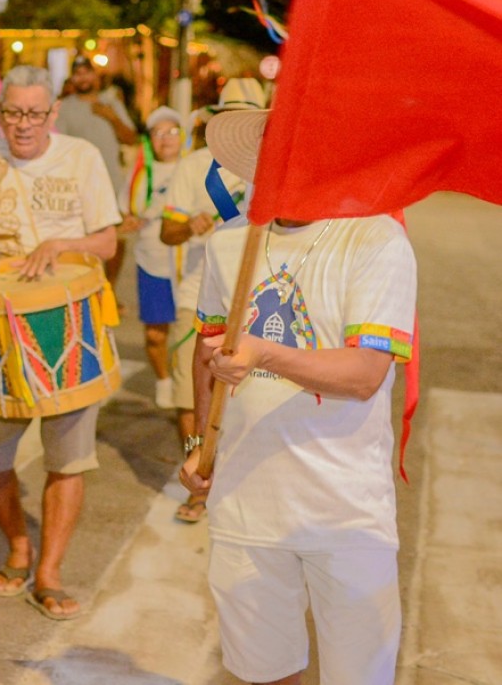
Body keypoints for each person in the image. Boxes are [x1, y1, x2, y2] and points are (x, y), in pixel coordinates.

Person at [180, 109, 416, 685]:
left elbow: (364, 375)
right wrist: (197, 442)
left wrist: (266, 354)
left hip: (344, 514)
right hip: (243, 505)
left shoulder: (376, 238)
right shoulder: (230, 241)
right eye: (276, 150)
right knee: (262, 673)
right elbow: (207, 351)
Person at [0, 65, 121, 620]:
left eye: (35, 113)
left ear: (53, 114)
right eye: (13, 112)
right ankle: (19, 545)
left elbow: (110, 242)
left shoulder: (81, 157)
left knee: (68, 459)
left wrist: (62, 243)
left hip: (65, 320)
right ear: (0, 114)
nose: (23, 124)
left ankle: (49, 571)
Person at [159, 78, 266, 523]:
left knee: (252, 395)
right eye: (229, 116)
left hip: (259, 299)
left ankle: (243, 482)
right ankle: (199, 475)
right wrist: (192, 226)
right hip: (196, 295)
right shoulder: (194, 167)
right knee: (190, 397)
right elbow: (168, 231)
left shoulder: (273, 167)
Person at [118, 107, 184, 425]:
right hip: (152, 262)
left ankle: (188, 383)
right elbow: (122, 214)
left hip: (190, 264)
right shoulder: (139, 175)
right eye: (159, 133)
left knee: (194, 332)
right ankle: (164, 380)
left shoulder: (195, 169)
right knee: (157, 335)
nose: (166, 139)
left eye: (172, 131)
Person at [54, 55, 136, 287]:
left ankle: (110, 290)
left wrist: (111, 117)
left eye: (86, 72)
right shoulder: (65, 108)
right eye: (77, 73)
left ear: (95, 75)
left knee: (118, 239)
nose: (83, 78)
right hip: (79, 186)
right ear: (72, 78)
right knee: (83, 239)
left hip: (113, 183)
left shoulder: (111, 104)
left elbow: (131, 138)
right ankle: (87, 290)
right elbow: (58, 146)